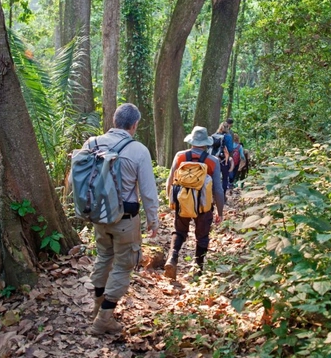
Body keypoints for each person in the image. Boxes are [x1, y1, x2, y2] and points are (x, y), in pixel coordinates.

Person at [84, 103, 159, 335]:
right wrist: (153, 220)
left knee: (104, 256)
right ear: (134, 124)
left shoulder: (92, 143)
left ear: (115, 120)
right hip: (125, 219)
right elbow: (147, 191)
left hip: (98, 216)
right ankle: (104, 318)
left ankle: (97, 306)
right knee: (124, 264)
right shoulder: (138, 150)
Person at [164, 126, 225, 280]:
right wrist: (220, 211)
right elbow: (218, 189)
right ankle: (198, 269)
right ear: (206, 143)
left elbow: (170, 181)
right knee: (202, 236)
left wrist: (171, 201)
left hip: (182, 202)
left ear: (191, 141)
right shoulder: (213, 161)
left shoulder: (180, 156)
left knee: (179, 231)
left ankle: (172, 258)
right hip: (203, 206)